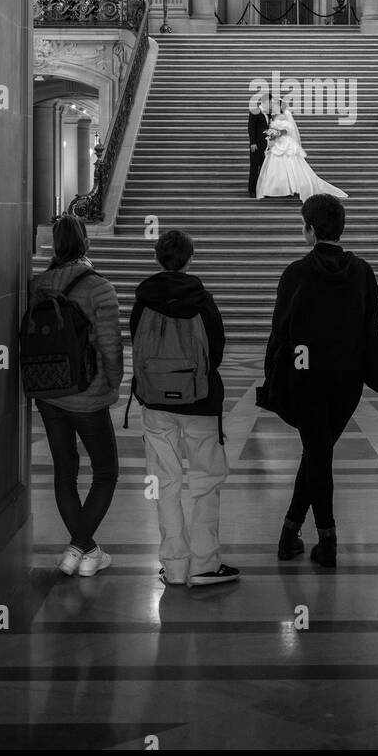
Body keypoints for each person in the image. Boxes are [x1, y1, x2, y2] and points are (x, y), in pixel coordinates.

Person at [265, 194, 378, 567]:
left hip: (305, 378)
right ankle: (290, 534)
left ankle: (327, 539)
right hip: (346, 380)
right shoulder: (362, 271)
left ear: (311, 230)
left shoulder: (296, 273)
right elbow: (371, 320)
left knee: (317, 453)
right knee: (318, 452)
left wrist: (273, 376)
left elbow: (281, 331)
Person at [129, 229, 239, 587]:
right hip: (201, 402)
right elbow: (216, 351)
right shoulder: (202, 299)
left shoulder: (143, 299)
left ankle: (174, 566)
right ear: (191, 257)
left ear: (157, 257)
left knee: (164, 483)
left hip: (155, 403)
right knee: (206, 483)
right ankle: (205, 565)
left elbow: (136, 344)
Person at [30, 213, 123, 577]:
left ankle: (80, 551)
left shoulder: (39, 285)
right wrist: (113, 383)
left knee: (64, 472)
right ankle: (80, 547)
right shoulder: (100, 287)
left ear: (55, 244)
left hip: (49, 392)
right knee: (106, 472)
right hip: (89, 394)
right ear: (85, 242)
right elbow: (110, 346)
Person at [256, 98, 348, 201]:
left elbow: (287, 130)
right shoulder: (273, 117)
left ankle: (292, 187)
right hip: (277, 143)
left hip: (285, 142)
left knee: (290, 164)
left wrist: (277, 134)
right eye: (273, 105)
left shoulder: (284, 115)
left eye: (275, 105)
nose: (273, 107)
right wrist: (272, 135)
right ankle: (277, 188)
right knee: (276, 165)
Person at [247, 91, 273, 197]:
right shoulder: (255, 111)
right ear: (265, 101)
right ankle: (252, 189)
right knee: (254, 167)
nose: (271, 104)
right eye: (270, 102)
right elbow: (251, 128)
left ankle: (262, 189)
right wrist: (252, 142)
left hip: (265, 145)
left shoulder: (268, 113)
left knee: (263, 167)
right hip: (256, 145)